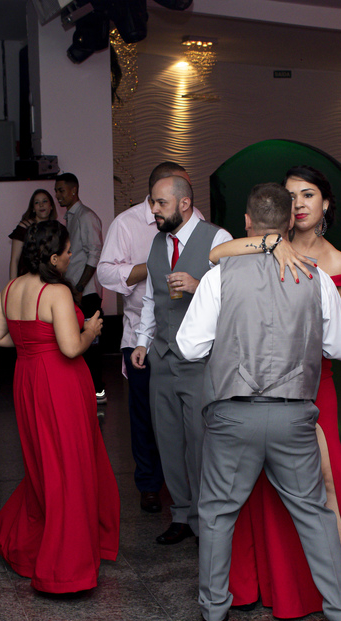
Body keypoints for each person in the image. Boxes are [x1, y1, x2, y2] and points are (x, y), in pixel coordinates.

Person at [207, 165, 341, 621]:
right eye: (291, 195)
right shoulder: (267, 245)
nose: (298, 204)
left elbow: (338, 329)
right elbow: (218, 254)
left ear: (326, 203)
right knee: (260, 487)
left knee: (325, 483)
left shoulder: (335, 262)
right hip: (261, 383)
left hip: (315, 381)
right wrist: (268, 244)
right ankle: (270, 584)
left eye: (308, 194)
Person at [176, 182, 341, 621]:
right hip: (293, 415)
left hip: (232, 414)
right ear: (288, 221)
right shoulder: (315, 277)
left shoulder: (220, 276)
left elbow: (189, 347)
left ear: (246, 223)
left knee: (217, 514)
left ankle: (214, 613)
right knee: (314, 514)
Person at [0, 221, 120, 592]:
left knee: (44, 463)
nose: (72, 256)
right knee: (70, 466)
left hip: (27, 380)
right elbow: (71, 348)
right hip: (60, 384)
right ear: (54, 257)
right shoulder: (56, 292)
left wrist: (31, 344)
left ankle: (36, 543)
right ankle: (66, 564)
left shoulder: (11, 288)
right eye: (68, 251)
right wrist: (90, 331)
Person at [96, 161, 204, 515]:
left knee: (187, 419)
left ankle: (186, 487)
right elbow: (105, 273)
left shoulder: (198, 220)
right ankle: (149, 485)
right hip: (140, 335)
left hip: (188, 336)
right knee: (145, 416)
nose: (184, 196)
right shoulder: (126, 223)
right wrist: (152, 267)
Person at [130, 175, 232, 544]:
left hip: (200, 360)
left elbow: (235, 296)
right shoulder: (158, 242)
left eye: (160, 203)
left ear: (184, 204)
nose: (154, 210)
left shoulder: (218, 240)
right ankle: (181, 515)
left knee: (201, 441)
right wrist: (142, 342)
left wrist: (198, 285)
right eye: (152, 203)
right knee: (168, 440)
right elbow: (150, 299)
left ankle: (206, 520)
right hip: (161, 356)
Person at [53, 173, 106, 403]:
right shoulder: (71, 217)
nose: (58, 195)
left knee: (91, 343)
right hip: (76, 292)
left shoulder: (86, 216)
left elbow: (95, 253)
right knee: (79, 342)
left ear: (74, 190)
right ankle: (87, 390)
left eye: (61, 190)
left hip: (87, 293)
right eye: (56, 191)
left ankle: (98, 391)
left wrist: (80, 287)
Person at [7, 189, 59, 282]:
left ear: (51, 206)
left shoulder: (57, 228)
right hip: (27, 279)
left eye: (44, 201)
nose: (41, 205)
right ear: (33, 208)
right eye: (37, 202)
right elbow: (15, 259)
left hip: (49, 279)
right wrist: (12, 285)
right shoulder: (24, 227)